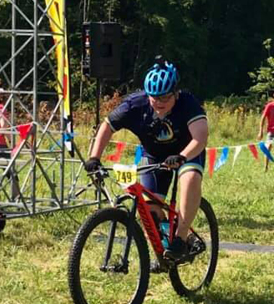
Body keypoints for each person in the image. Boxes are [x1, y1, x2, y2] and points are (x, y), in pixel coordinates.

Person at [85, 57, 208, 263]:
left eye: (165, 98)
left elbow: (200, 137)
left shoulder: (188, 103)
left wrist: (182, 156)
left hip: (186, 152)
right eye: (154, 98)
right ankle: (164, 253)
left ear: (176, 93)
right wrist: (94, 158)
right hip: (154, 156)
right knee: (149, 210)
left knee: (189, 179)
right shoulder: (135, 104)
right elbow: (107, 126)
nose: (159, 103)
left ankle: (181, 237)